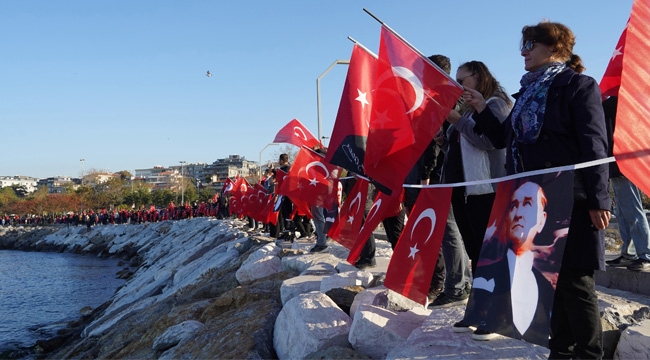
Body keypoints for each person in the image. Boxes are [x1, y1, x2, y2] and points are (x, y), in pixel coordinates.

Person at [465, 21, 611, 358]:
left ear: (555, 47)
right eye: (524, 43)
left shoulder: (578, 86)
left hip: (569, 197)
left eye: (530, 43)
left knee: (575, 282)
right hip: (529, 196)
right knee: (551, 281)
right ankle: (560, 350)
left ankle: (589, 354)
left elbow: (594, 145)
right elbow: (505, 139)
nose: (523, 51)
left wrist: (597, 198)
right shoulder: (526, 92)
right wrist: (481, 108)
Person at [430, 60, 512, 308]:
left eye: (461, 80)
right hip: (465, 190)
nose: (457, 85)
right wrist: (444, 142)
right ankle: (480, 306)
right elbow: (463, 148)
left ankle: (495, 308)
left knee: (488, 254)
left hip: (486, 190)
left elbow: (491, 141)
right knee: (475, 252)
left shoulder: (495, 104)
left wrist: (457, 120)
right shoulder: (467, 109)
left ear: (478, 77)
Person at [462, 180, 555, 346]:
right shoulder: (486, 273)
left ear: (542, 220)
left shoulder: (545, 285)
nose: (518, 213)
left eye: (527, 203)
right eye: (513, 205)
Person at [603, 96, 650, 271]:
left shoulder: (618, 103)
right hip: (615, 164)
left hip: (625, 164)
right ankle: (629, 253)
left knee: (632, 210)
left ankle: (645, 254)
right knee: (622, 212)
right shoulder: (612, 103)